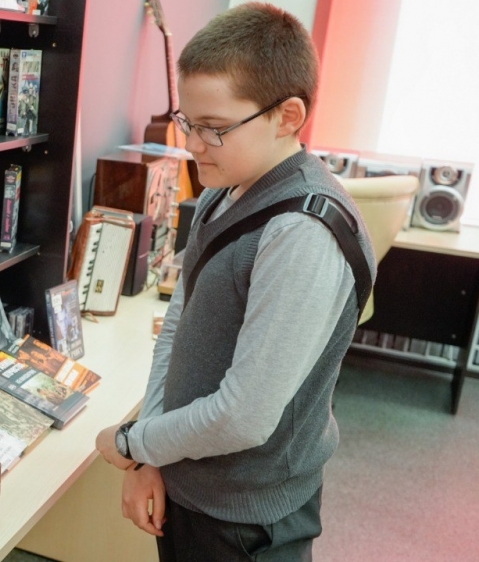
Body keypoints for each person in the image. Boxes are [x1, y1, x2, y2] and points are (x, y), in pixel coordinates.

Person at [94, 4, 376, 561]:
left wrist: (133, 440)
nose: (193, 145)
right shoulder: (223, 189)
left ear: (288, 116)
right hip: (190, 481)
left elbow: (245, 416)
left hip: (246, 517)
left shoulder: (301, 233)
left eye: (215, 128)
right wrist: (150, 453)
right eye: (189, 122)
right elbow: (180, 326)